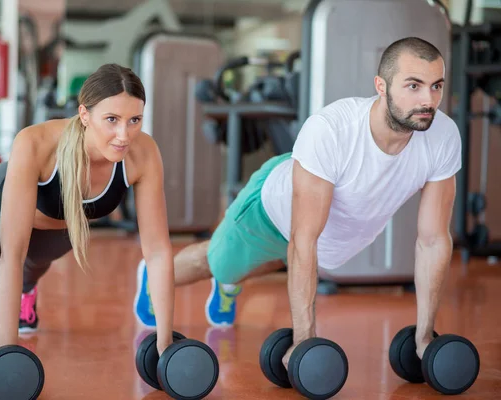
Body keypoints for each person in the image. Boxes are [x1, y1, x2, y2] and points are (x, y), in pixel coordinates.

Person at [134, 37, 461, 367]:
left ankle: (232, 279)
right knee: (220, 264)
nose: (428, 100)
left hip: (328, 242)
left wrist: (424, 335)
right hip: (271, 210)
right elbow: (303, 241)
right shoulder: (334, 130)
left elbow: (433, 240)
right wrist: (304, 341)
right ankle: (157, 274)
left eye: (436, 86)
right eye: (414, 86)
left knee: (280, 261)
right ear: (381, 85)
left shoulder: (442, 136)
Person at [0, 63, 176, 354]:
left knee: (37, 262)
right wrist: (6, 354)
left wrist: (165, 349)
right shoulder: (36, 143)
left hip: (62, 223)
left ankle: (26, 291)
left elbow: (157, 252)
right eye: (112, 119)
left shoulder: (144, 154)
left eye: (134, 120)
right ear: (85, 115)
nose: (124, 135)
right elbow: (12, 255)